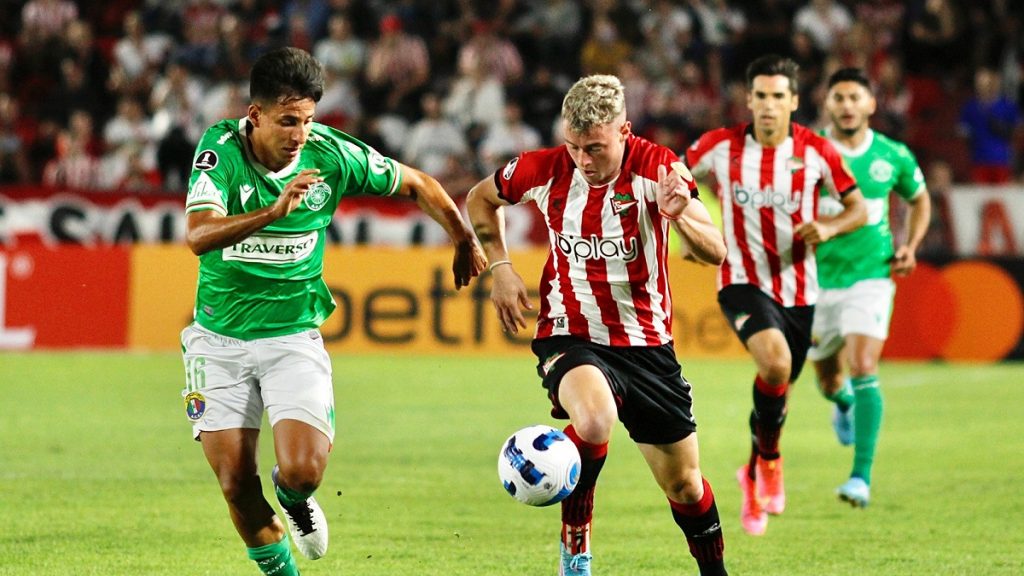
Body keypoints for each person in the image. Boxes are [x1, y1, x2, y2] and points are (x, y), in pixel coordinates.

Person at [180, 47, 485, 576]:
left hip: (292, 337)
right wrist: (274, 211)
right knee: (233, 483)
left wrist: (461, 234)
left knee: (302, 472)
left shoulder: (330, 154)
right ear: (254, 117)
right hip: (218, 341)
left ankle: (293, 498)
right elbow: (198, 235)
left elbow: (416, 183)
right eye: (288, 121)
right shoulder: (220, 152)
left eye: (308, 120)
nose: (300, 133)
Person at [467, 74, 729, 576]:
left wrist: (682, 217)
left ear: (624, 132)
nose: (583, 161)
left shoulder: (659, 168)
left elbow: (714, 252)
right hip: (571, 331)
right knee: (592, 420)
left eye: (595, 148)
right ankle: (576, 550)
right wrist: (500, 267)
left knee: (686, 486)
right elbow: (481, 198)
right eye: (574, 146)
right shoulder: (544, 169)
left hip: (648, 345)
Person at [685, 54, 866, 535]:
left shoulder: (816, 152)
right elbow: (674, 180)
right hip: (741, 279)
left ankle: (751, 474)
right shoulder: (719, 147)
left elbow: (858, 208)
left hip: (800, 292)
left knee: (777, 389)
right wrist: (692, 229)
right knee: (776, 365)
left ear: (794, 102)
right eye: (760, 96)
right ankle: (770, 460)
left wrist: (827, 228)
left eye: (777, 97)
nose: (768, 106)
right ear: (749, 99)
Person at [811, 67, 931, 507]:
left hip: (872, 274)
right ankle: (841, 402)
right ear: (828, 103)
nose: (846, 105)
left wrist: (911, 245)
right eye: (838, 97)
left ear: (870, 104)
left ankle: (860, 477)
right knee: (827, 378)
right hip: (816, 279)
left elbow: (919, 199)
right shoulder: (807, 153)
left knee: (864, 364)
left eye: (854, 97)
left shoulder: (891, 155)